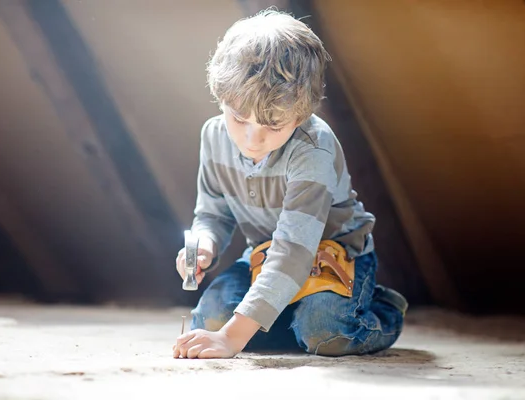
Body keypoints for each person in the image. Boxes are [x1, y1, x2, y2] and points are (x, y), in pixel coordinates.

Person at [173, 9, 407, 359]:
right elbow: (213, 214)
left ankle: (381, 309)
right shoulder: (213, 135)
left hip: (333, 253)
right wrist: (204, 244)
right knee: (211, 321)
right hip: (264, 257)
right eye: (238, 118)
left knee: (325, 335)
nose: (252, 139)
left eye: (273, 126)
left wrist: (232, 338)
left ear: (301, 115)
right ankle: (283, 316)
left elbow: (294, 251)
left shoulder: (313, 148)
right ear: (220, 98)